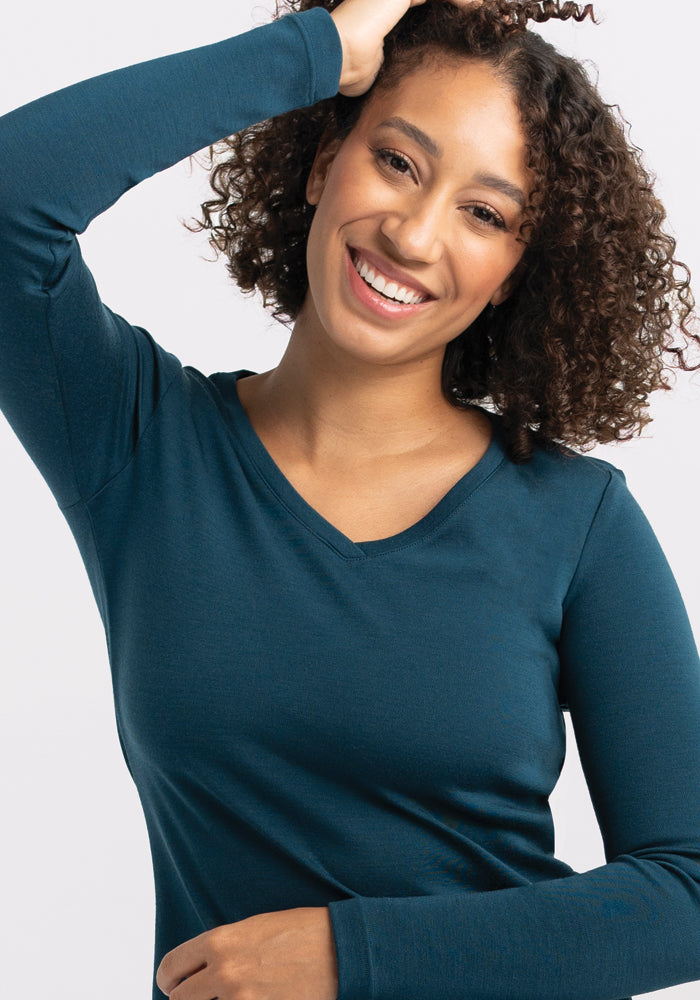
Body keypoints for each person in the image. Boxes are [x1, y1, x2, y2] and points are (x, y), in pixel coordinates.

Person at [0, 0, 698, 998]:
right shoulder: (143, 446)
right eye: (400, 162)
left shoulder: (574, 521)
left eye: (485, 213)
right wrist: (320, 45)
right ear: (325, 161)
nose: (415, 235)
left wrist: (350, 956)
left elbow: (687, 890)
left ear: (511, 274)